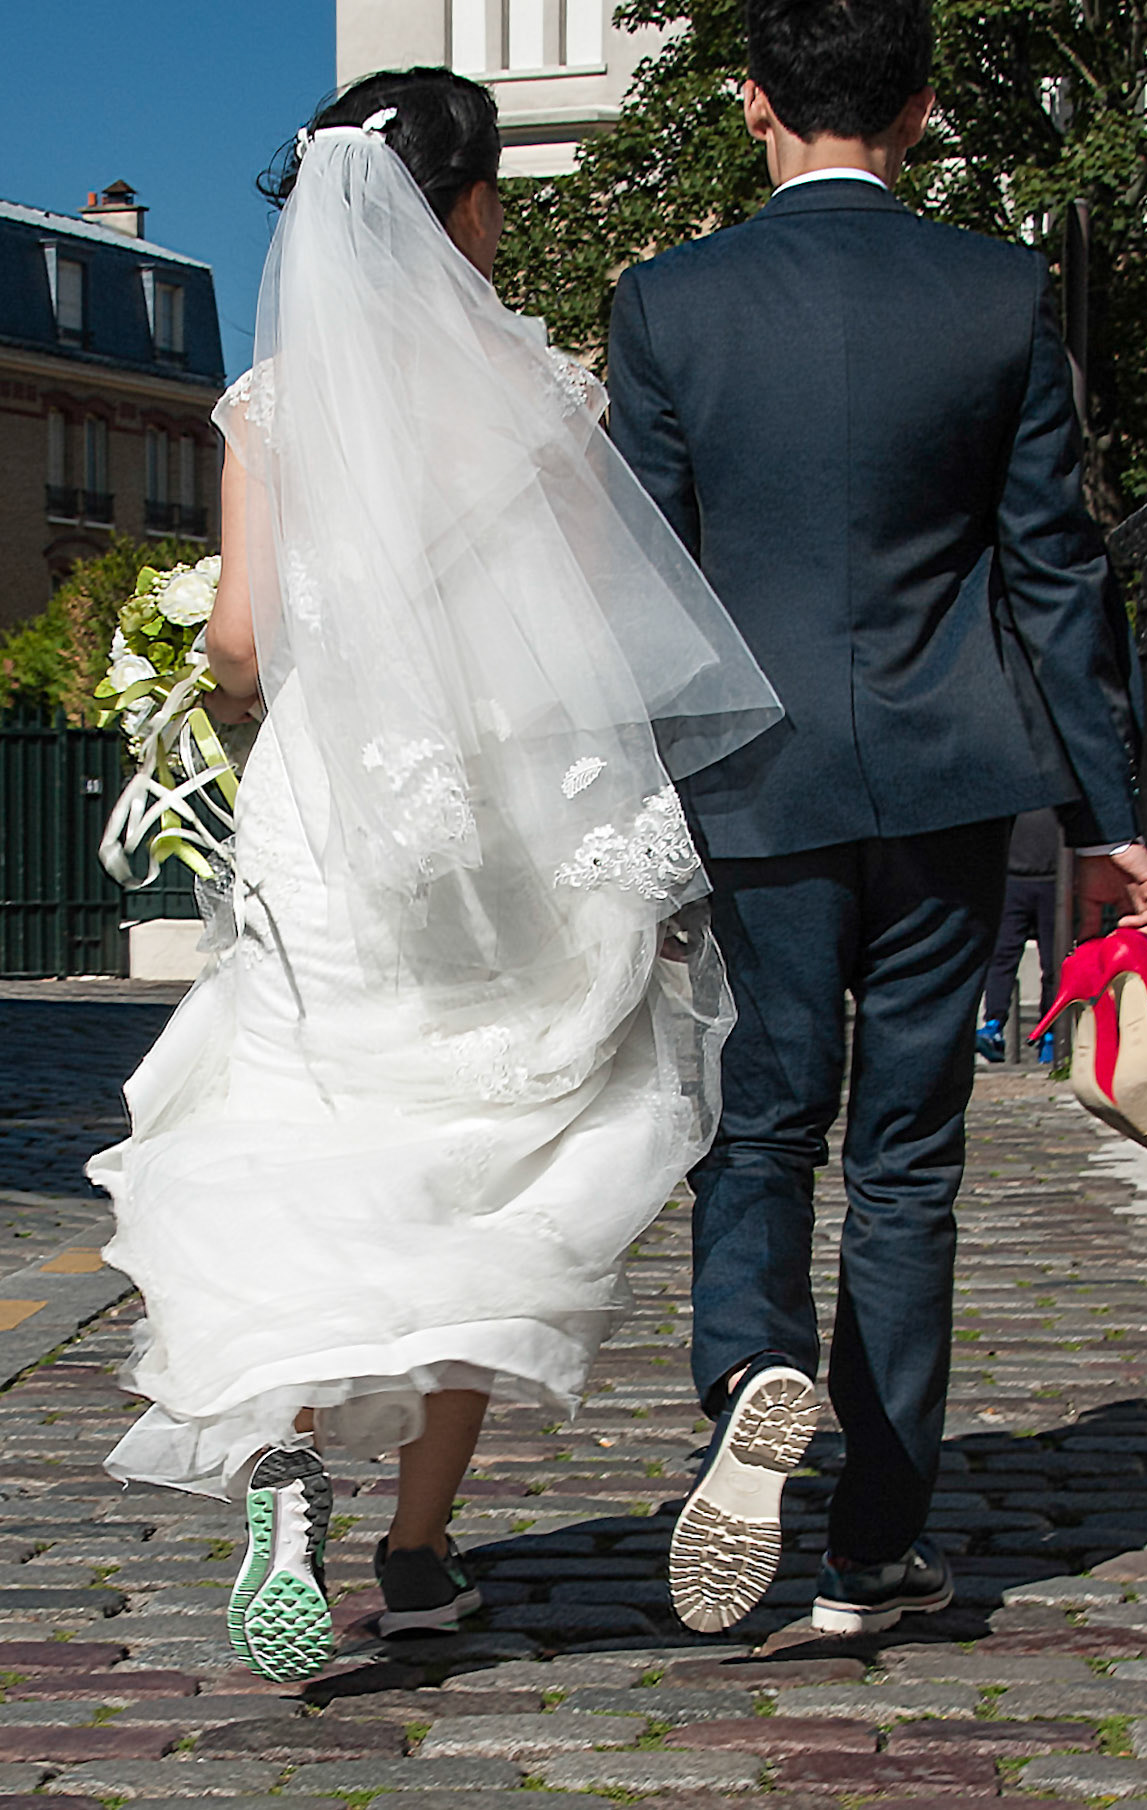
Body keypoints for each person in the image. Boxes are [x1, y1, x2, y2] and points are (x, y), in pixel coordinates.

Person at [86, 68, 779, 1683]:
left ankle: (283, 1442)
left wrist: (245, 698)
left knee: (303, 1134)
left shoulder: (271, 408)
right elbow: (604, 636)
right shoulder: (540, 389)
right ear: (470, 206)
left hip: (337, 822)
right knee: (503, 1162)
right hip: (516, 825)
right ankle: (414, 1550)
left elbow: (241, 643)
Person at [608, 0, 1147, 1637]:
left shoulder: (669, 302)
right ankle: (872, 1549)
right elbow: (1056, 572)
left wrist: (625, 798)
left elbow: (637, 578)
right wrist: (1105, 814)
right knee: (909, 1160)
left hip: (751, 786)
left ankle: (749, 1367)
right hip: (948, 780)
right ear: (921, 112)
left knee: (760, 1126)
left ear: (751, 104)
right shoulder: (995, 292)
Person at [976, 808, 1060, 1065]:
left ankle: (1050, 1033)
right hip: (1013, 878)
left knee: (1054, 963)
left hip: (1055, 880)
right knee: (1002, 955)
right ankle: (993, 1025)